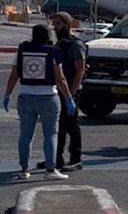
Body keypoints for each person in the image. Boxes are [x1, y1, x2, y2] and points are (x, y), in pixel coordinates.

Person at [4, 24, 77, 180]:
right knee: (50, 134)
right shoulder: (53, 52)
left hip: (25, 96)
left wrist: (7, 94)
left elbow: (13, 75)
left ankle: (24, 170)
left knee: (25, 135)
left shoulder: (22, 50)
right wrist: (69, 98)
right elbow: (60, 78)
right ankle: (50, 170)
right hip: (49, 97)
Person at [35, 12, 86, 171]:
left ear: (67, 24)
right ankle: (56, 158)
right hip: (57, 90)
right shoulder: (59, 44)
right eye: (54, 24)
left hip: (70, 90)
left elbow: (80, 71)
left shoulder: (75, 45)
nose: (55, 27)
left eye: (58, 24)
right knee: (58, 127)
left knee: (71, 125)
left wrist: (71, 94)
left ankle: (76, 159)